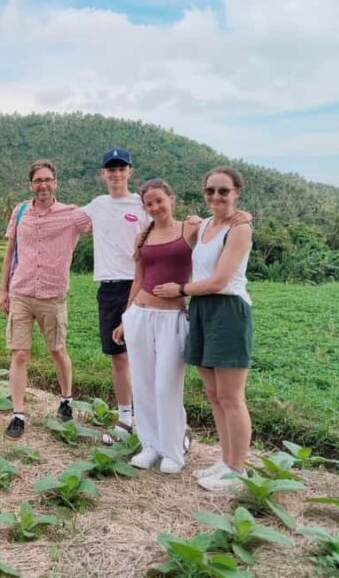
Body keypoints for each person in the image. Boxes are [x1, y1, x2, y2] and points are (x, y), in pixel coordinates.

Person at [153, 166, 253, 491]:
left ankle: (238, 470)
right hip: (201, 310)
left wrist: (180, 290)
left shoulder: (239, 230)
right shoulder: (206, 224)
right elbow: (171, 227)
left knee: (231, 396)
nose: (216, 196)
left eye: (223, 191)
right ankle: (225, 461)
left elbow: (221, 280)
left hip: (227, 310)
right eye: (210, 190)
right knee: (213, 394)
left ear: (236, 192)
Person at [0, 159, 92, 438]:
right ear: (31, 184)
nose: (43, 185)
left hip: (53, 295)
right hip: (22, 292)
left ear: (55, 183)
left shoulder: (73, 215)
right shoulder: (21, 210)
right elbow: (9, 252)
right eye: (38, 180)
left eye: (47, 179)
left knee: (57, 350)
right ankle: (18, 414)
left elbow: (109, 219)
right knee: (19, 353)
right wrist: (2, 290)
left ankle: (66, 399)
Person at [112, 179, 197, 474]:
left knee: (166, 386)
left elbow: (223, 230)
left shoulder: (191, 229)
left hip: (172, 318)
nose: (155, 207)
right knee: (144, 385)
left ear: (171, 199)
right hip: (140, 316)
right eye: (149, 204)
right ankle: (150, 445)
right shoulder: (143, 237)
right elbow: (138, 280)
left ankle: (173, 450)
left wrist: (184, 289)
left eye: (160, 200)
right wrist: (126, 317)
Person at [81, 148, 148, 437]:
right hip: (109, 289)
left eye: (122, 168)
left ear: (130, 172)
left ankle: (150, 420)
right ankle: (125, 419)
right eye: (111, 169)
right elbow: (65, 220)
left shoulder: (143, 205)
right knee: (118, 356)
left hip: (139, 285)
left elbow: (170, 229)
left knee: (146, 356)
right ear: (103, 174)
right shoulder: (97, 205)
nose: (116, 174)